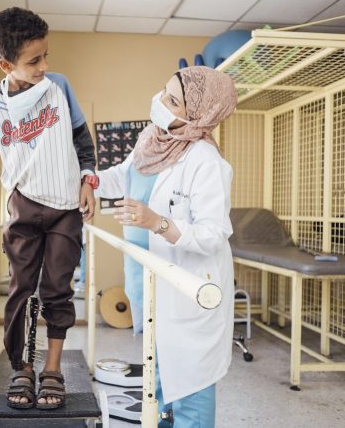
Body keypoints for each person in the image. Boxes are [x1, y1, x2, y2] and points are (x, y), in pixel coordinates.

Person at [0, 7, 98, 410]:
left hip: (65, 207)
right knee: (21, 292)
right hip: (23, 206)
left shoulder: (59, 87)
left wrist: (88, 180)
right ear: (5, 64)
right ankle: (22, 369)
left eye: (46, 56)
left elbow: (83, 140)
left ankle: (53, 369)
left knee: (58, 290)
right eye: (34, 61)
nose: (44, 66)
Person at [95, 66, 237, 427]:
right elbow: (122, 175)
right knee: (158, 371)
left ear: (200, 114)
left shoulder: (206, 162)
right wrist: (88, 181)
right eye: (164, 91)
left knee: (191, 382)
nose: (161, 102)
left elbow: (212, 233)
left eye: (173, 100)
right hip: (148, 279)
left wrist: (156, 222)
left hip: (187, 288)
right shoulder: (153, 139)